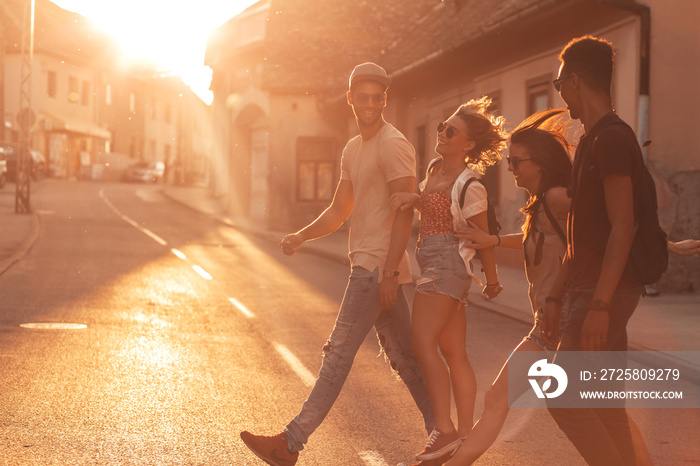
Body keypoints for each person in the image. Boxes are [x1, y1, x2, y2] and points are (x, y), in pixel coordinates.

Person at [240, 62, 434, 466]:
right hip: (372, 269)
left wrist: (392, 271)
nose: (369, 104)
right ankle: (445, 434)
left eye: (376, 97)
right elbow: (339, 209)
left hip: (376, 270)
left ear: (383, 99)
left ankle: (289, 443)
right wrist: (302, 235)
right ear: (350, 98)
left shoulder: (393, 144)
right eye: (361, 97)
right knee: (406, 362)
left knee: (338, 354)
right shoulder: (353, 148)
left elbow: (404, 213)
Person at [443, 110, 653, 466]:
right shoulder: (543, 204)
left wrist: (658, 239)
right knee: (606, 410)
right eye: (509, 161)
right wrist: (492, 239)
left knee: (502, 399)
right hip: (550, 321)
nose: (511, 168)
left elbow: (606, 220)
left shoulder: (558, 197)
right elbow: (534, 239)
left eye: (517, 162)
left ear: (540, 164)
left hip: (560, 323)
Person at [541, 35, 649, 465]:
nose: (559, 92)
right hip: (588, 288)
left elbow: (624, 227)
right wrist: (554, 294)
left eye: (559, 83)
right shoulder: (590, 141)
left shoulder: (611, 141)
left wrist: (600, 304)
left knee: (563, 397)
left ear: (574, 80)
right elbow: (580, 234)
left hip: (604, 292)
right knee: (604, 404)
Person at [391, 97, 506, 466]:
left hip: (448, 266)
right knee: (455, 352)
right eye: (442, 126)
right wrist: (415, 197)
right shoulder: (436, 168)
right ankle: (466, 434)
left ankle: (444, 430)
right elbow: (432, 204)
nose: (442, 133)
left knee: (421, 343)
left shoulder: (470, 184)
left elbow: (482, 235)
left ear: (468, 144)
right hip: (432, 260)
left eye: (451, 131)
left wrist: (491, 279)